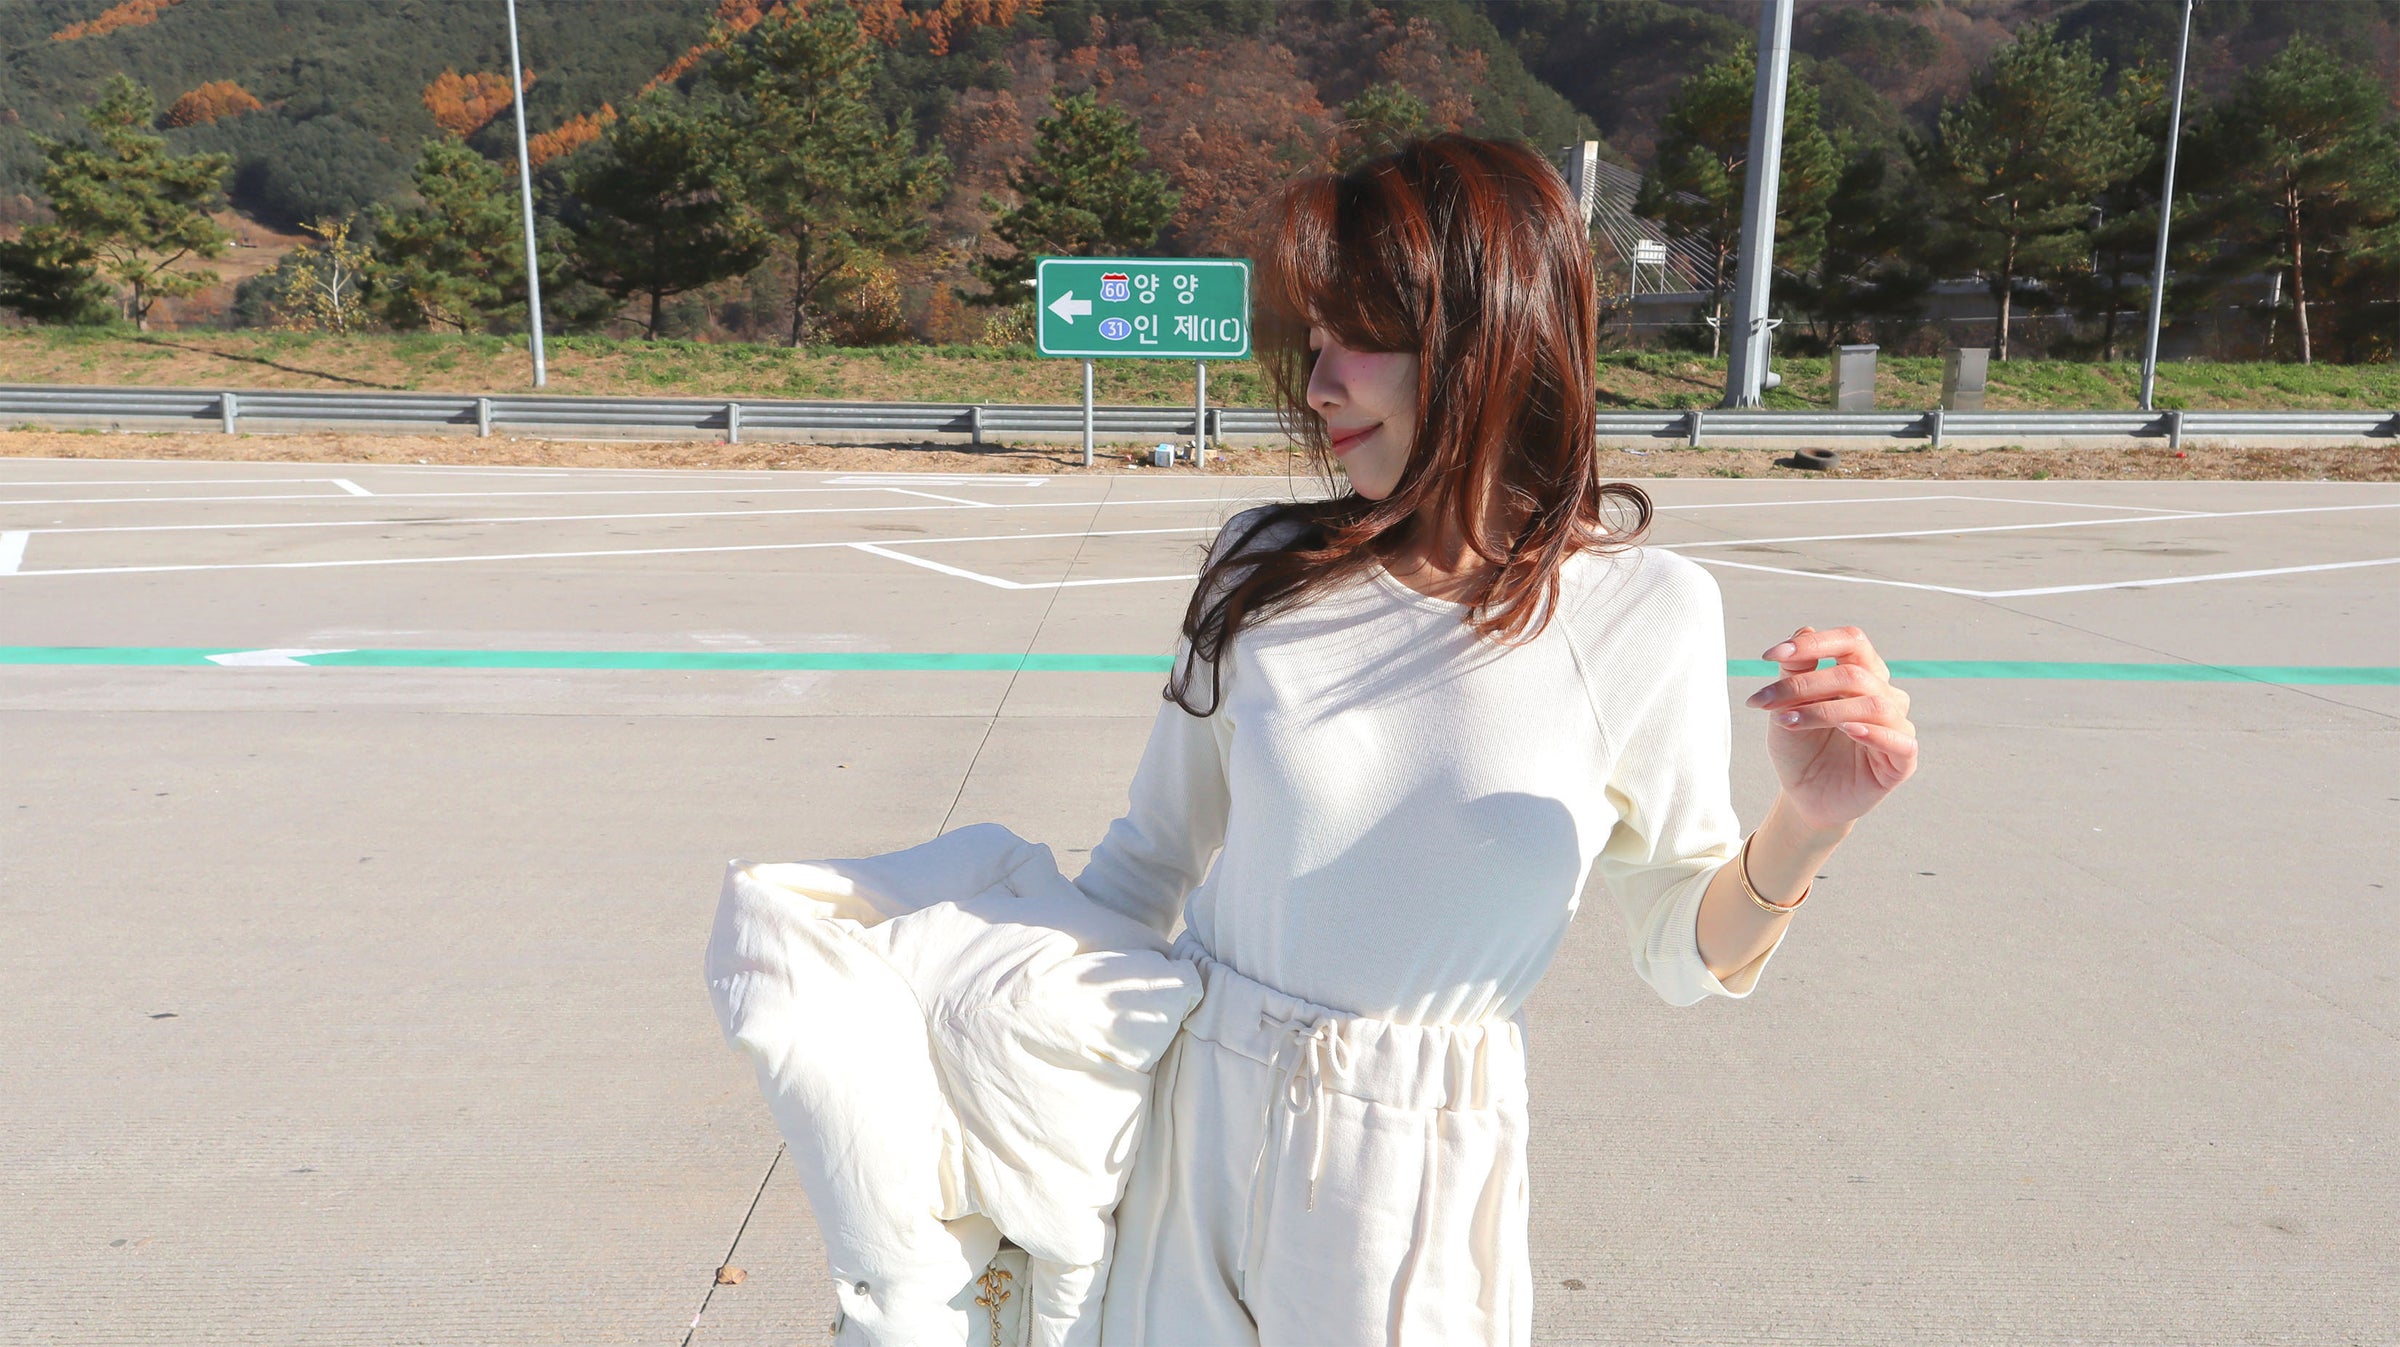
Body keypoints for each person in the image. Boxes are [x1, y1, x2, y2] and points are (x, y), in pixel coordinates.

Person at [1070, 135, 1919, 1347]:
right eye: (1313, 342)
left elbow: (1682, 949)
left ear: (1487, 340)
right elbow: (1146, 861)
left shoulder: (1643, 612)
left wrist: (1810, 825)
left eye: (1359, 340)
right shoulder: (1260, 567)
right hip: (1190, 1118)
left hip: (1411, 1170)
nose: (1319, 386)